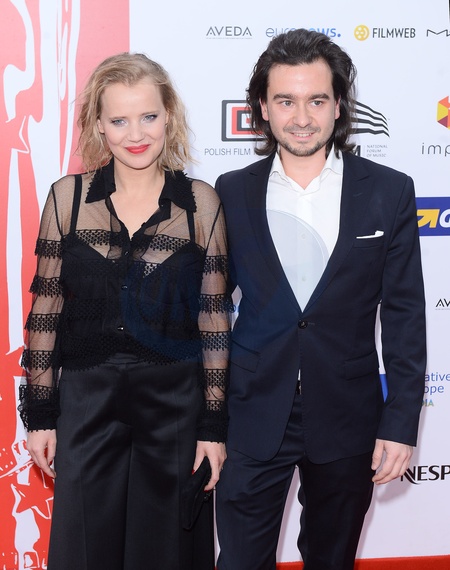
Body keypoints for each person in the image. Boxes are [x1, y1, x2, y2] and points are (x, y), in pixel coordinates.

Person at [215, 28, 426, 570]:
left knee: (332, 560)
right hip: (252, 410)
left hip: (347, 414)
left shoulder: (389, 190)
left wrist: (400, 423)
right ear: (264, 108)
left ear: (338, 106)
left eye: (316, 100)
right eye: (286, 101)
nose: (302, 117)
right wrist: (205, 420)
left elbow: (404, 315)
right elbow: (208, 310)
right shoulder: (230, 191)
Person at [19, 52, 231, 570]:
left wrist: (212, 426)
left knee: (168, 551)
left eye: (148, 116)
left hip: (174, 405)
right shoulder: (67, 199)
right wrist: (42, 415)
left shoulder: (200, 203)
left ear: (169, 116)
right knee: (84, 547)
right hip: (87, 403)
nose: (136, 134)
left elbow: (213, 321)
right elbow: (46, 310)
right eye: (119, 120)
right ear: (99, 125)